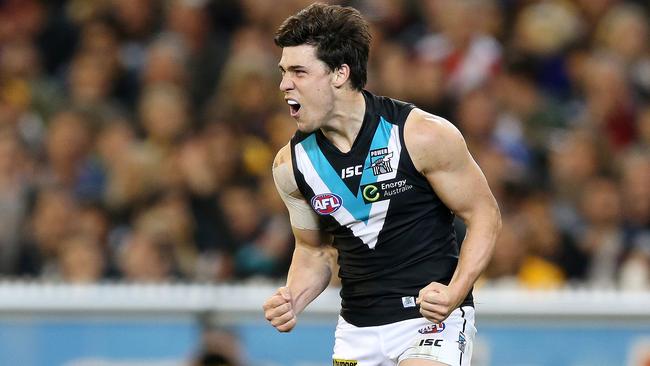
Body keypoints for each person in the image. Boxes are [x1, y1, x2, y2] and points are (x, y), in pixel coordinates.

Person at [262, 3, 501, 366]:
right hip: (357, 331)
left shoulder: (420, 134)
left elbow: (484, 215)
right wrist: (294, 297)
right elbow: (314, 250)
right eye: (283, 72)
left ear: (340, 74)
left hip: (431, 321)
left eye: (298, 72)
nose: (284, 85)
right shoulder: (290, 165)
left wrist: (456, 291)